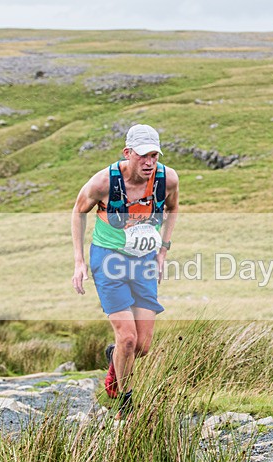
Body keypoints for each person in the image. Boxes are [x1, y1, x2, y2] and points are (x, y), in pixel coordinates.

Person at [72, 124, 179, 419]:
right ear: (128, 153)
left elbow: (173, 209)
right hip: (109, 260)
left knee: (141, 346)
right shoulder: (102, 183)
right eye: (143, 156)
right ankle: (125, 404)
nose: (149, 162)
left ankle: (114, 359)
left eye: (154, 156)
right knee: (128, 338)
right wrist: (80, 262)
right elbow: (78, 212)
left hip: (144, 259)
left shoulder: (166, 179)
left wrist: (163, 251)